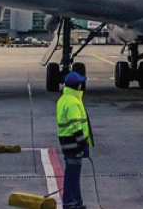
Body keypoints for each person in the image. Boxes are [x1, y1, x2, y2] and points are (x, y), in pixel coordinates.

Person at [56, 71, 92, 209]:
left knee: (74, 172)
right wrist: (84, 144)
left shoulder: (65, 99)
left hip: (68, 143)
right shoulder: (72, 103)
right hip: (73, 143)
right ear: (77, 86)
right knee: (72, 174)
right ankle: (69, 202)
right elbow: (76, 127)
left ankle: (77, 201)